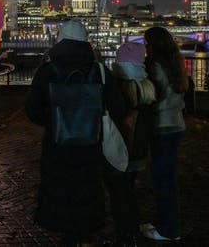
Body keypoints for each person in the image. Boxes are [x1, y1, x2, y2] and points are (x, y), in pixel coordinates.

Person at [25, 20, 125, 247]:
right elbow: (119, 108)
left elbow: (33, 111)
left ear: (59, 40)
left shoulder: (47, 71)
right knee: (88, 187)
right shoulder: (100, 71)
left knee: (60, 189)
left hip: (57, 144)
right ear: (86, 41)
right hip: (91, 143)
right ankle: (84, 233)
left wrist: (53, 120)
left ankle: (67, 237)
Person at [104, 42, 156, 247]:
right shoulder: (148, 87)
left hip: (118, 149)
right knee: (128, 192)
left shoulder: (116, 86)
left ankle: (126, 235)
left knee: (119, 196)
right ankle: (132, 233)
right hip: (139, 151)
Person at [140, 26, 188, 242]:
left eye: (146, 44)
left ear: (154, 45)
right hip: (176, 124)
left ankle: (168, 230)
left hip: (162, 126)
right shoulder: (176, 64)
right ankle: (163, 223)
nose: (145, 48)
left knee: (163, 180)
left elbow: (151, 98)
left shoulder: (155, 67)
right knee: (166, 178)